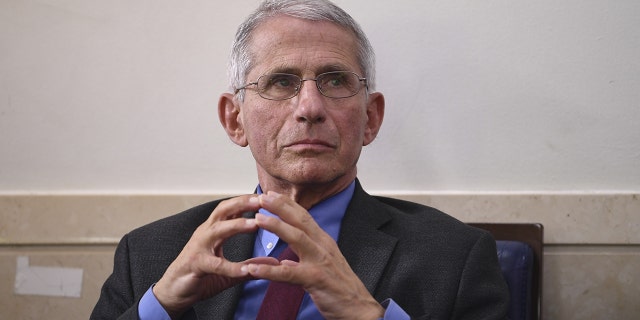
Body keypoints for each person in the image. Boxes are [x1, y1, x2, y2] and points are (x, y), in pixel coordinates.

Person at [91, 0, 509, 319]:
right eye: (281, 82)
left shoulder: (456, 257)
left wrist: (366, 314)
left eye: (335, 81)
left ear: (371, 118)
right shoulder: (149, 254)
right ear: (234, 120)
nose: (310, 107)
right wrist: (160, 306)